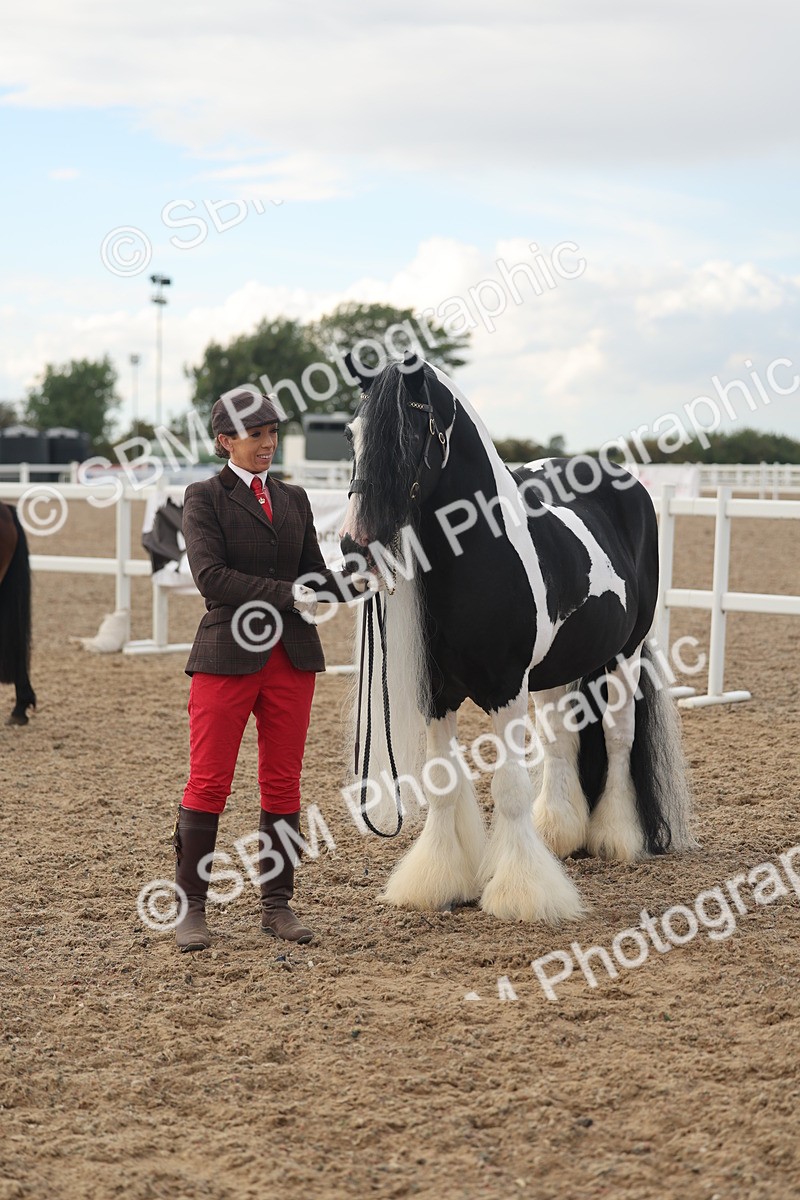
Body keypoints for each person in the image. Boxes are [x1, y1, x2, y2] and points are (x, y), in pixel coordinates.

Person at [172, 388, 360, 953]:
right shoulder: (204, 497)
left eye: (273, 434)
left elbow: (316, 575)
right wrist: (292, 592)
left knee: (283, 784)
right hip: (226, 658)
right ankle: (191, 910)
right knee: (209, 782)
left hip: (292, 660)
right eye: (257, 435)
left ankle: (277, 905)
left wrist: (358, 577)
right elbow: (213, 579)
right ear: (226, 440)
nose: (268, 444)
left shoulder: (295, 499)